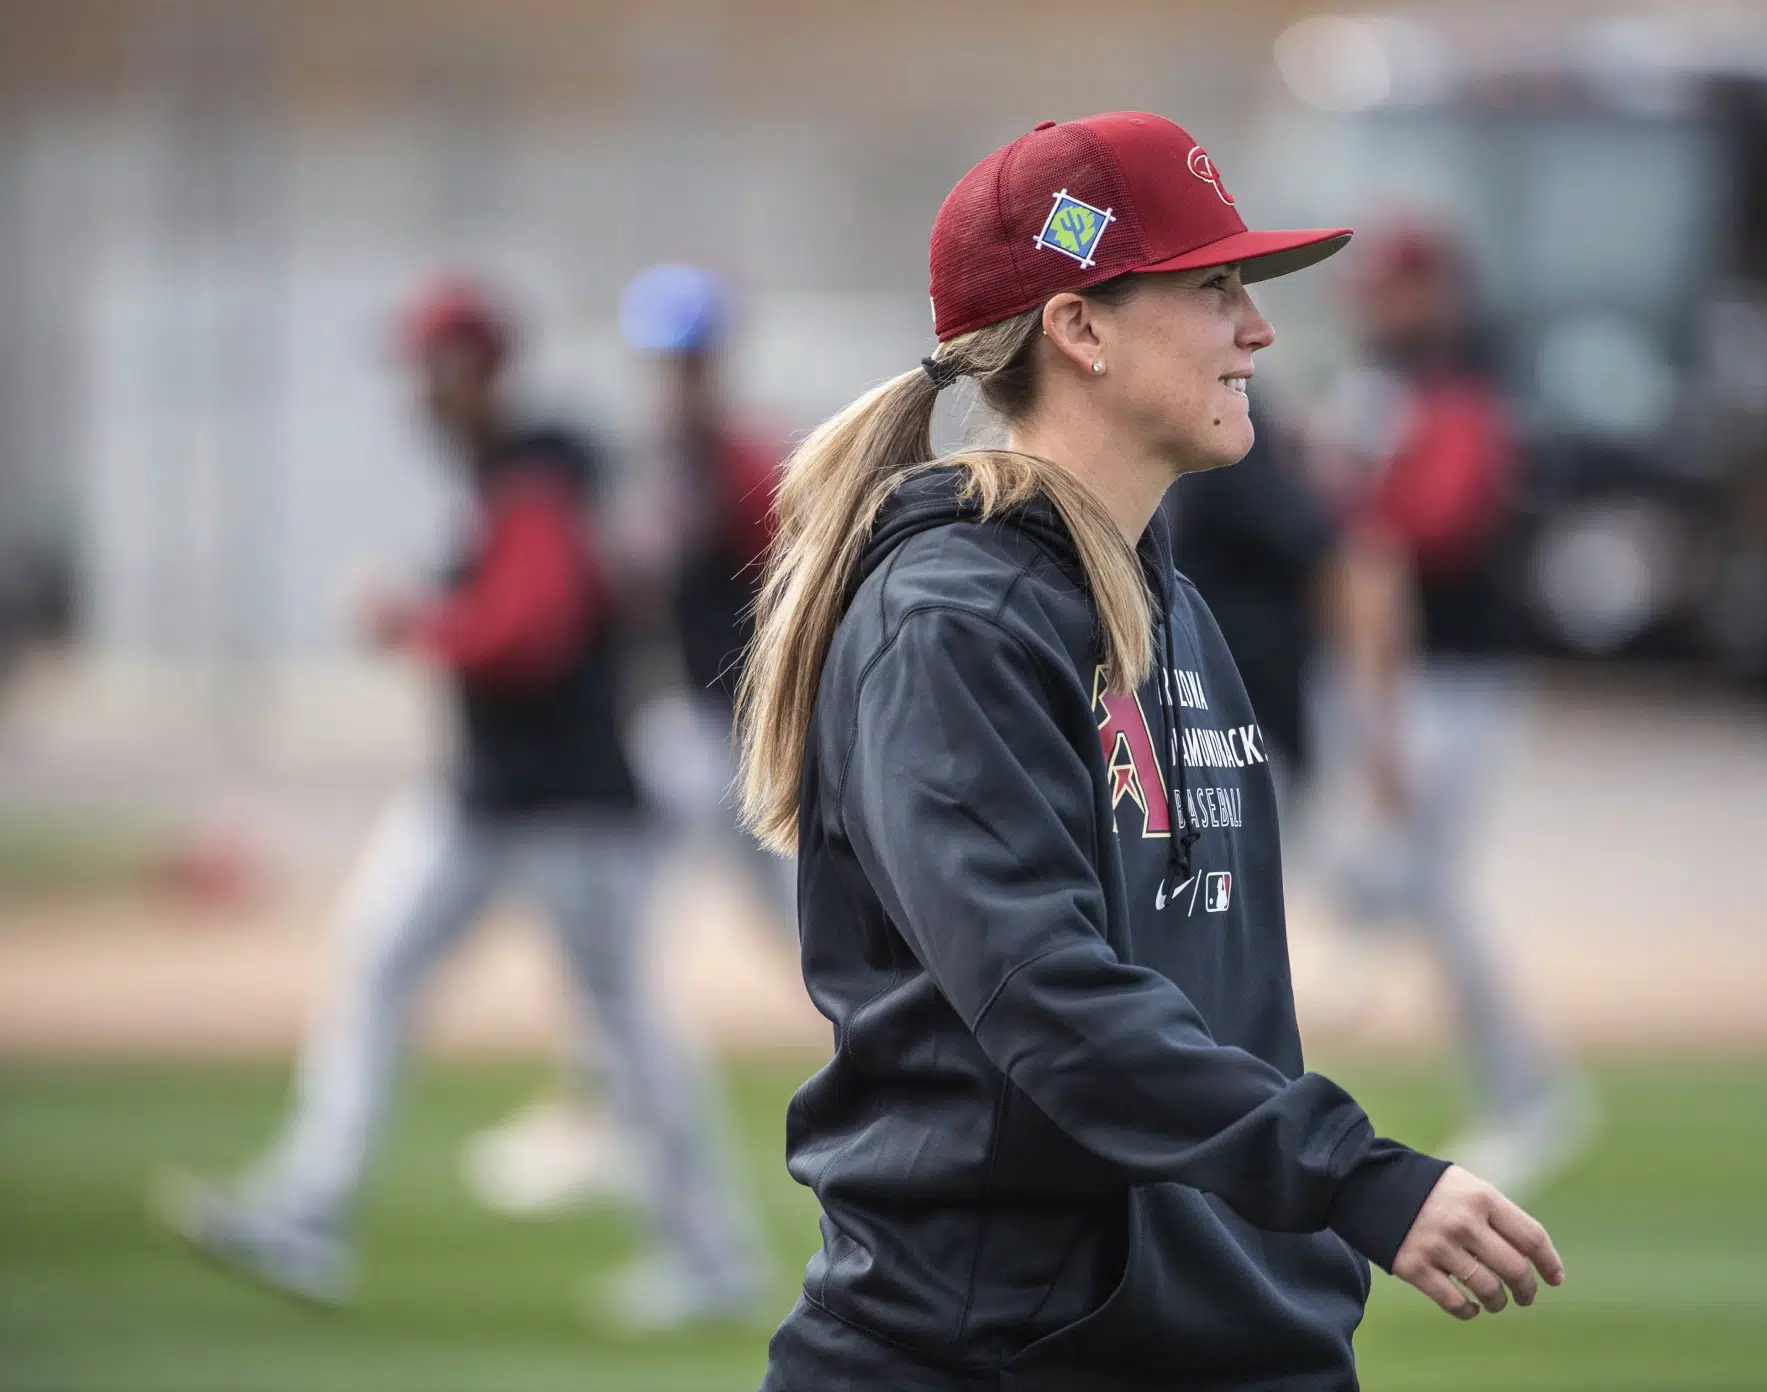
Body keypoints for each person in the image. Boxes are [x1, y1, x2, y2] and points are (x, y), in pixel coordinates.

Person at [734, 113, 1564, 1391]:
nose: (1261, 327)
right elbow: (1050, 1004)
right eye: (1216, 286)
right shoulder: (954, 621)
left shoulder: (1163, 599)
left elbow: (1228, 1004)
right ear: (1081, 328)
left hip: (1214, 1344)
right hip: (999, 1353)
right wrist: (1358, 1179)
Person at [157, 274, 763, 1332]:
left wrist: (410, 621)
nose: (417, 394)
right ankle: (308, 1210)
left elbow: (526, 635)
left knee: (629, 1035)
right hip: (488, 799)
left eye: (431, 369)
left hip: (570, 804)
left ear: (475, 368)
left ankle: (712, 1257)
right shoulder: (520, 473)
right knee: (378, 976)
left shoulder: (539, 476)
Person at [458, 265, 786, 1249]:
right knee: (632, 941)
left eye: (685, 357)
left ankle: (593, 1111)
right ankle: (592, 1108)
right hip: (688, 730)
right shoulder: (665, 458)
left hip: (729, 733)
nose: (673, 375)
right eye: (664, 358)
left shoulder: (736, 460)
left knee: (766, 935)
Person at [1308, 219, 1588, 1198]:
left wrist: (1353, 497)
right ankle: (1520, 1089)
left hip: (1458, 671)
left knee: (1418, 880)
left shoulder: (1470, 384)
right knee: (1388, 870)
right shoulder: (1372, 380)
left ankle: (1528, 1093)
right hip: (1372, 663)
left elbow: (1435, 524)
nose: (1379, 306)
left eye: (1399, 288)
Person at [1167, 408, 1335, 780]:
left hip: (1243, 703)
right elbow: (1323, 540)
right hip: (1236, 707)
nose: (1255, 345)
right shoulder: (1223, 440)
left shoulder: (1230, 424)